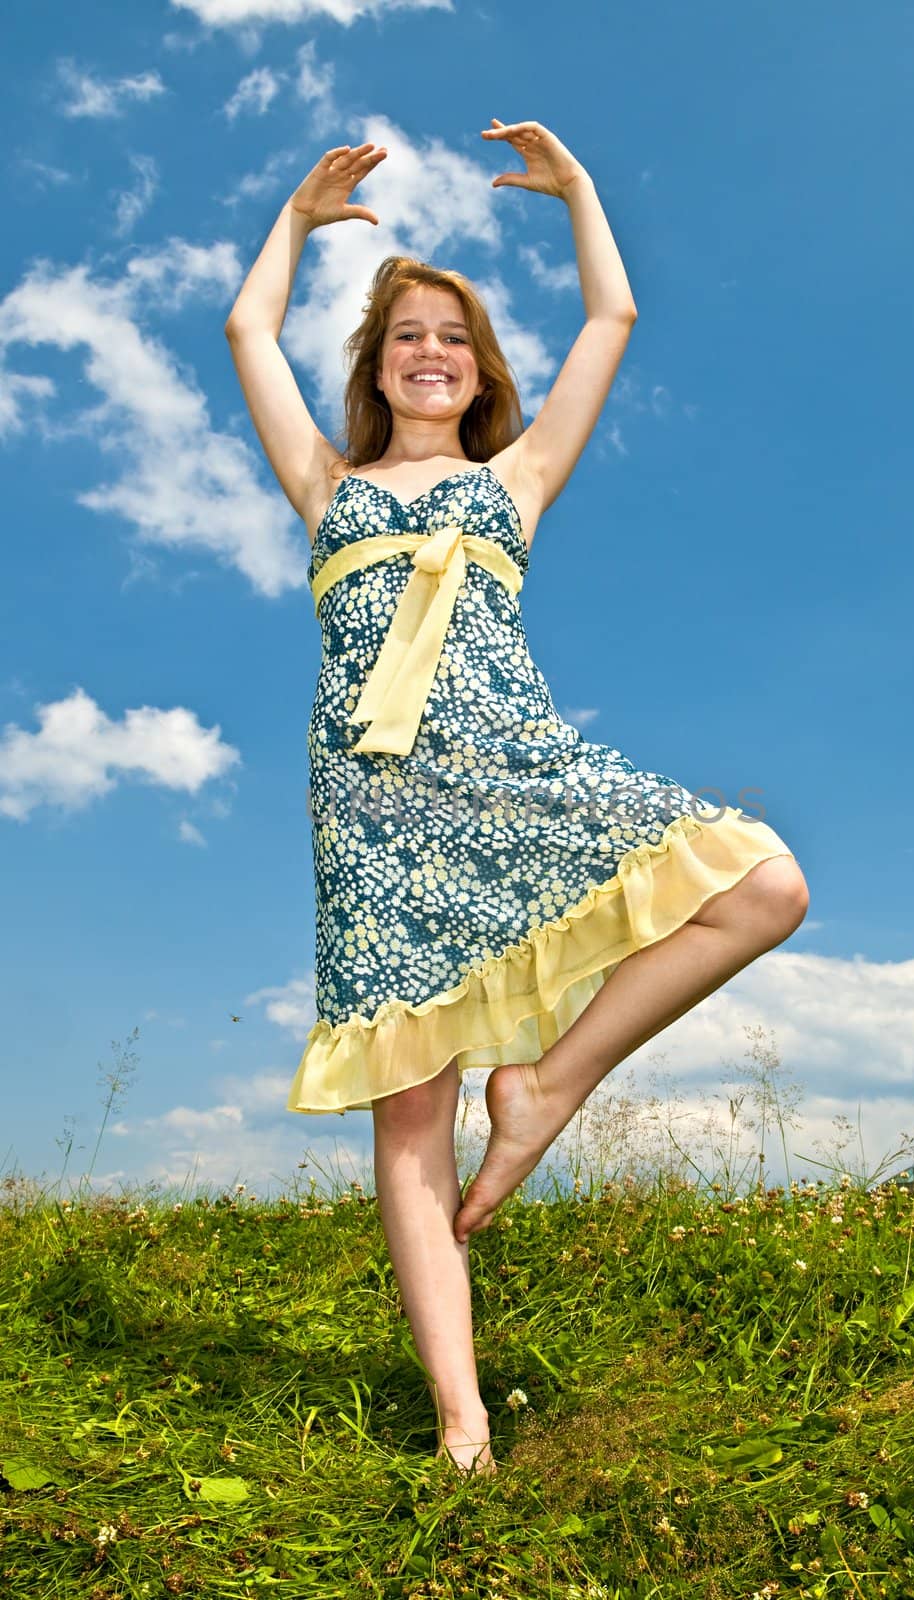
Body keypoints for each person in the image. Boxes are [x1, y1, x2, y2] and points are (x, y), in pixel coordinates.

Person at [224, 122, 810, 1476]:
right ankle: (461, 1417)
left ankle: (547, 1084)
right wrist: (298, 227)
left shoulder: (515, 479)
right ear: (375, 369)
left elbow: (613, 312)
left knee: (765, 883)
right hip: (375, 806)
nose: (429, 352)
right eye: (403, 337)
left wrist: (585, 192)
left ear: (481, 371)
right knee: (411, 1111)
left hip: (516, 763)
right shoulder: (326, 488)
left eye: (454, 337)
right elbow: (250, 330)